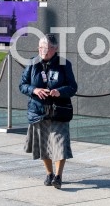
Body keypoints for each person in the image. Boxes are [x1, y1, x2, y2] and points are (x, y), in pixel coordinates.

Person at [19, 34, 77, 189]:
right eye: (40, 47)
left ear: (55, 48)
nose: (42, 51)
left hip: (58, 111)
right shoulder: (32, 63)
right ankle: (49, 173)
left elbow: (73, 87)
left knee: (60, 145)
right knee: (43, 146)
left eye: (46, 48)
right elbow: (22, 85)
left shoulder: (64, 64)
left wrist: (60, 91)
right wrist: (34, 89)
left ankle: (58, 176)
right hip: (38, 111)